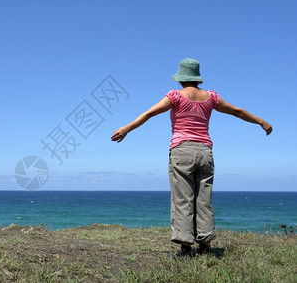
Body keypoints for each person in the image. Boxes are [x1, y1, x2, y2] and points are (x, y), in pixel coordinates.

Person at [111, 58, 272, 256]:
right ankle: (205, 245)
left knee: (183, 199)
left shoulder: (175, 97)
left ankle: (185, 248)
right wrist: (261, 122)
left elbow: (150, 113)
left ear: (180, 78)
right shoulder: (211, 97)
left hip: (182, 151)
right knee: (203, 199)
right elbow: (237, 112)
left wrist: (127, 128)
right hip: (205, 152)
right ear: (197, 78)